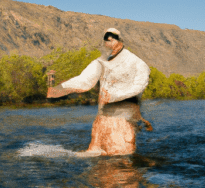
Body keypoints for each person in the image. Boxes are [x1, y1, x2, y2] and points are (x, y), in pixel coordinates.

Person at [47, 28, 151, 156]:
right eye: (106, 41)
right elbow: (84, 80)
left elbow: (139, 86)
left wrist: (115, 96)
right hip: (102, 121)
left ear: (120, 40)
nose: (109, 44)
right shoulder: (101, 62)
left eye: (112, 40)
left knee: (120, 159)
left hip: (122, 121)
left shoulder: (137, 63)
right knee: (98, 160)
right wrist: (59, 89)